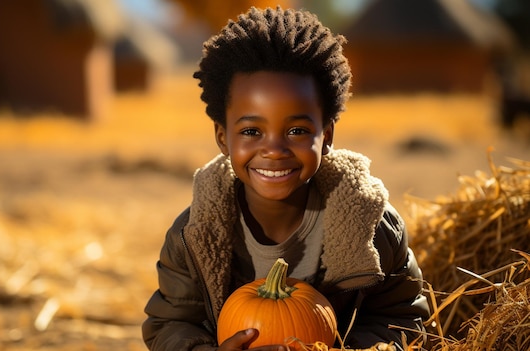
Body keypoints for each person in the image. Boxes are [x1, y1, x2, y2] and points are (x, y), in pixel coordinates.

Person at [142, 6, 430, 351]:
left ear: (327, 136)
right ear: (223, 138)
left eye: (297, 130)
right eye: (251, 131)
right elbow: (169, 323)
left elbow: (402, 317)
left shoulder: (374, 227)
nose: (275, 150)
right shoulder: (193, 234)